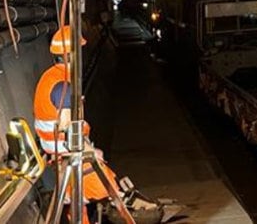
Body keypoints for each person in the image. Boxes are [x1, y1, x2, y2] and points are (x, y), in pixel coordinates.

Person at [34, 26, 170, 223]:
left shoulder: (50, 77)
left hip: (58, 152)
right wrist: (90, 151)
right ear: (71, 55)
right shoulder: (63, 86)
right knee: (108, 189)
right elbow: (67, 130)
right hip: (67, 153)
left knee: (79, 203)